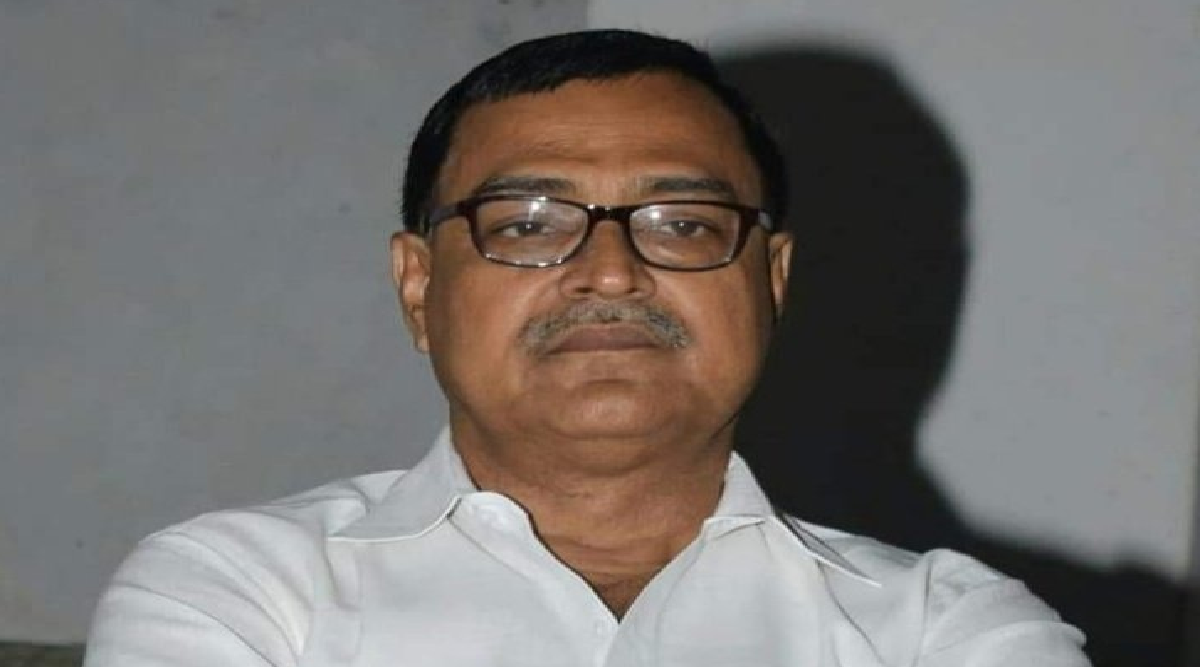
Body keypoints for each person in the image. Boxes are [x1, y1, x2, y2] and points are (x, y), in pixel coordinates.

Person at [84, 29, 1090, 666]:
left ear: (771, 282)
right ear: (420, 287)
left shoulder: (948, 629)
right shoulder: (239, 592)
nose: (610, 273)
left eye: (683, 223)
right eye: (528, 223)